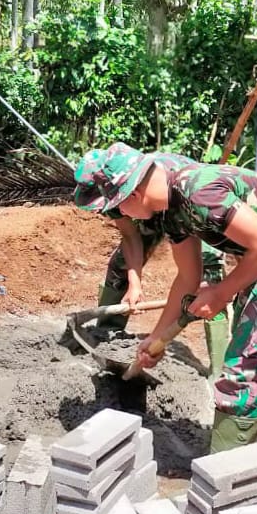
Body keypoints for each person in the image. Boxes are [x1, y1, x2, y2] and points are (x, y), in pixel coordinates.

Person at [75, 144, 257, 453]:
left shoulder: (198, 192)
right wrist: (158, 339)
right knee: (253, 350)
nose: (122, 218)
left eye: (118, 210)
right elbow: (187, 278)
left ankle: (224, 477)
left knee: (245, 365)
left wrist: (222, 291)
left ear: (131, 195)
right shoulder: (169, 209)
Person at [79, 152, 230, 379]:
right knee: (119, 267)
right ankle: (108, 336)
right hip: (146, 208)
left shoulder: (160, 177)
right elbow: (130, 236)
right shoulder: (111, 190)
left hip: (190, 206)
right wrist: (134, 282)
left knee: (208, 278)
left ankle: (219, 371)